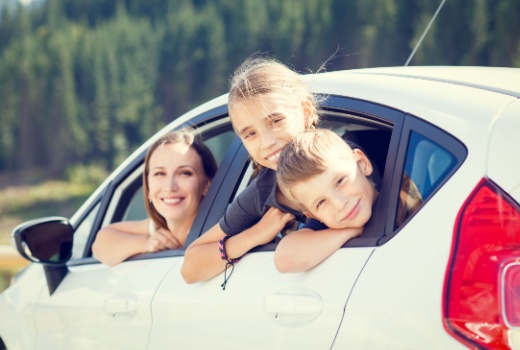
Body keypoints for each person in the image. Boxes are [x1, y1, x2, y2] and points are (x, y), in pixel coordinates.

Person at [181, 56, 325, 285]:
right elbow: (190, 267)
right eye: (250, 134)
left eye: (275, 121)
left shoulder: (346, 163)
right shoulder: (264, 192)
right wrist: (256, 234)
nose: (266, 142)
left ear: (306, 112)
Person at [92, 129, 218, 266]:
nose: (170, 186)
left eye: (184, 173)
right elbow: (100, 244)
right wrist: (147, 243)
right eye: (159, 174)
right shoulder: (157, 228)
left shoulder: (223, 228)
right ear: (148, 188)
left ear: (207, 185)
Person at [274, 128, 379, 272]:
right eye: (321, 203)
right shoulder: (327, 228)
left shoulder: (403, 195)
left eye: (340, 181)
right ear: (313, 216)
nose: (339, 204)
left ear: (362, 164)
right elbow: (284, 259)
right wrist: (352, 231)